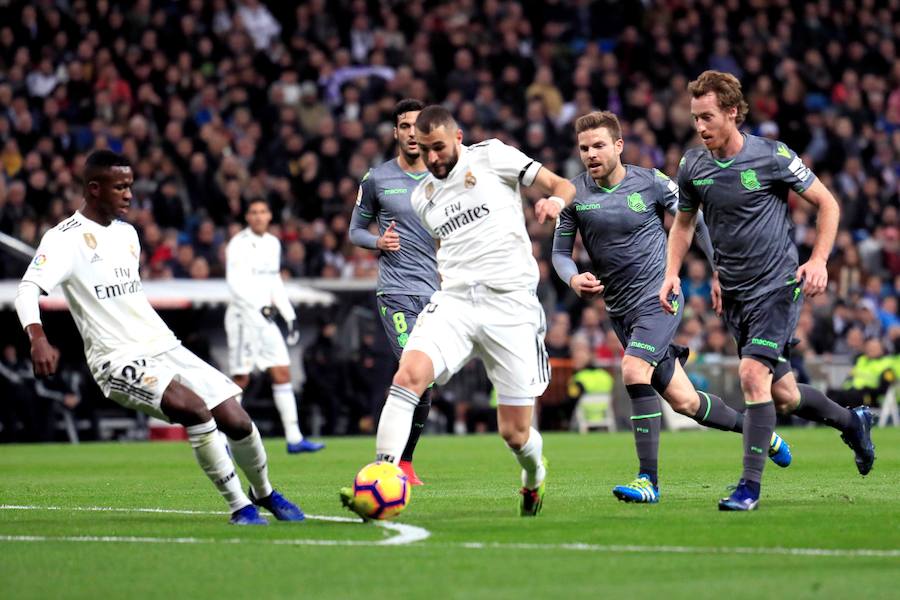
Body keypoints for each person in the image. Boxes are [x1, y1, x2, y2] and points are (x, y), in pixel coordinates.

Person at [15, 150, 304, 525]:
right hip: (117, 358)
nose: (129, 194)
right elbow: (27, 289)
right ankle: (240, 507)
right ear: (94, 188)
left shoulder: (128, 234)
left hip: (164, 346)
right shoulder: (63, 240)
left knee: (236, 418)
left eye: (130, 186)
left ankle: (263, 492)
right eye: (120, 187)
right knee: (195, 410)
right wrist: (37, 337)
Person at [343, 106, 575, 517]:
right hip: (455, 301)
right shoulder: (422, 197)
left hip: (510, 306)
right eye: (425, 149)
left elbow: (561, 184)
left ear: (458, 138)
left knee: (515, 433)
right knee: (408, 375)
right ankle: (382, 475)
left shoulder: (493, 156)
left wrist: (555, 201)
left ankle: (534, 474)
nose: (432, 157)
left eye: (438, 147)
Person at [661, 71, 875, 511]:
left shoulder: (772, 156)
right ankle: (852, 422)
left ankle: (749, 488)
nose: (700, 127)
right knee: (785, 396)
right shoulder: (692, 166)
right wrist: (672, 273)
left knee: (751, 376)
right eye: (695, 118)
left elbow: (828, 203)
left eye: (707, 117)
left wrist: (819, 260)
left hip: (777, 286)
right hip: (735, 294)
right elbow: (684, 224)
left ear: (732, 113)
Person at [553, 111, 793, 504]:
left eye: (598, 145)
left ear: (618, 145)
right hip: (620, 311)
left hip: (659, 297)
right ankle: (762, 433)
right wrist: (573, 279)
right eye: (584, 148)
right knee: (686, 402)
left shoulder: (651, 182)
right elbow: (560, 254)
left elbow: (694, 220)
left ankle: (648, 480)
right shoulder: (573, 194)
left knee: (633, 369)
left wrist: (718, 269)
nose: (591, 154)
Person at [348, 99, 438, 484]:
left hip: (436, 295)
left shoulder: (444, 177)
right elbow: (355, 230)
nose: (411, 133)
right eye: (404, 126)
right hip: (396, 292)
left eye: (418, 125)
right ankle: (391, 463)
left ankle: (406, 461)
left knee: (425, 380)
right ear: (395, 132)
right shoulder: (377, 179)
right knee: (410, 370)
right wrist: (377, 243)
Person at [225, 198, 324, 454]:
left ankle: (294, 438)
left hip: (266, 319)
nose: (259, 216)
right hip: (243, 318)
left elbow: (274, 282)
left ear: (269, 216)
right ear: (247, 217)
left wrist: (289, 315)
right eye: (254, 212)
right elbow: (234, 284)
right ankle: (224, 441)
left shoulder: (272, 243)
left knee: (281, 371)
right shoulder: (238, 244)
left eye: (263, 211)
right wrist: (257, 308)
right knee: (241, 377)